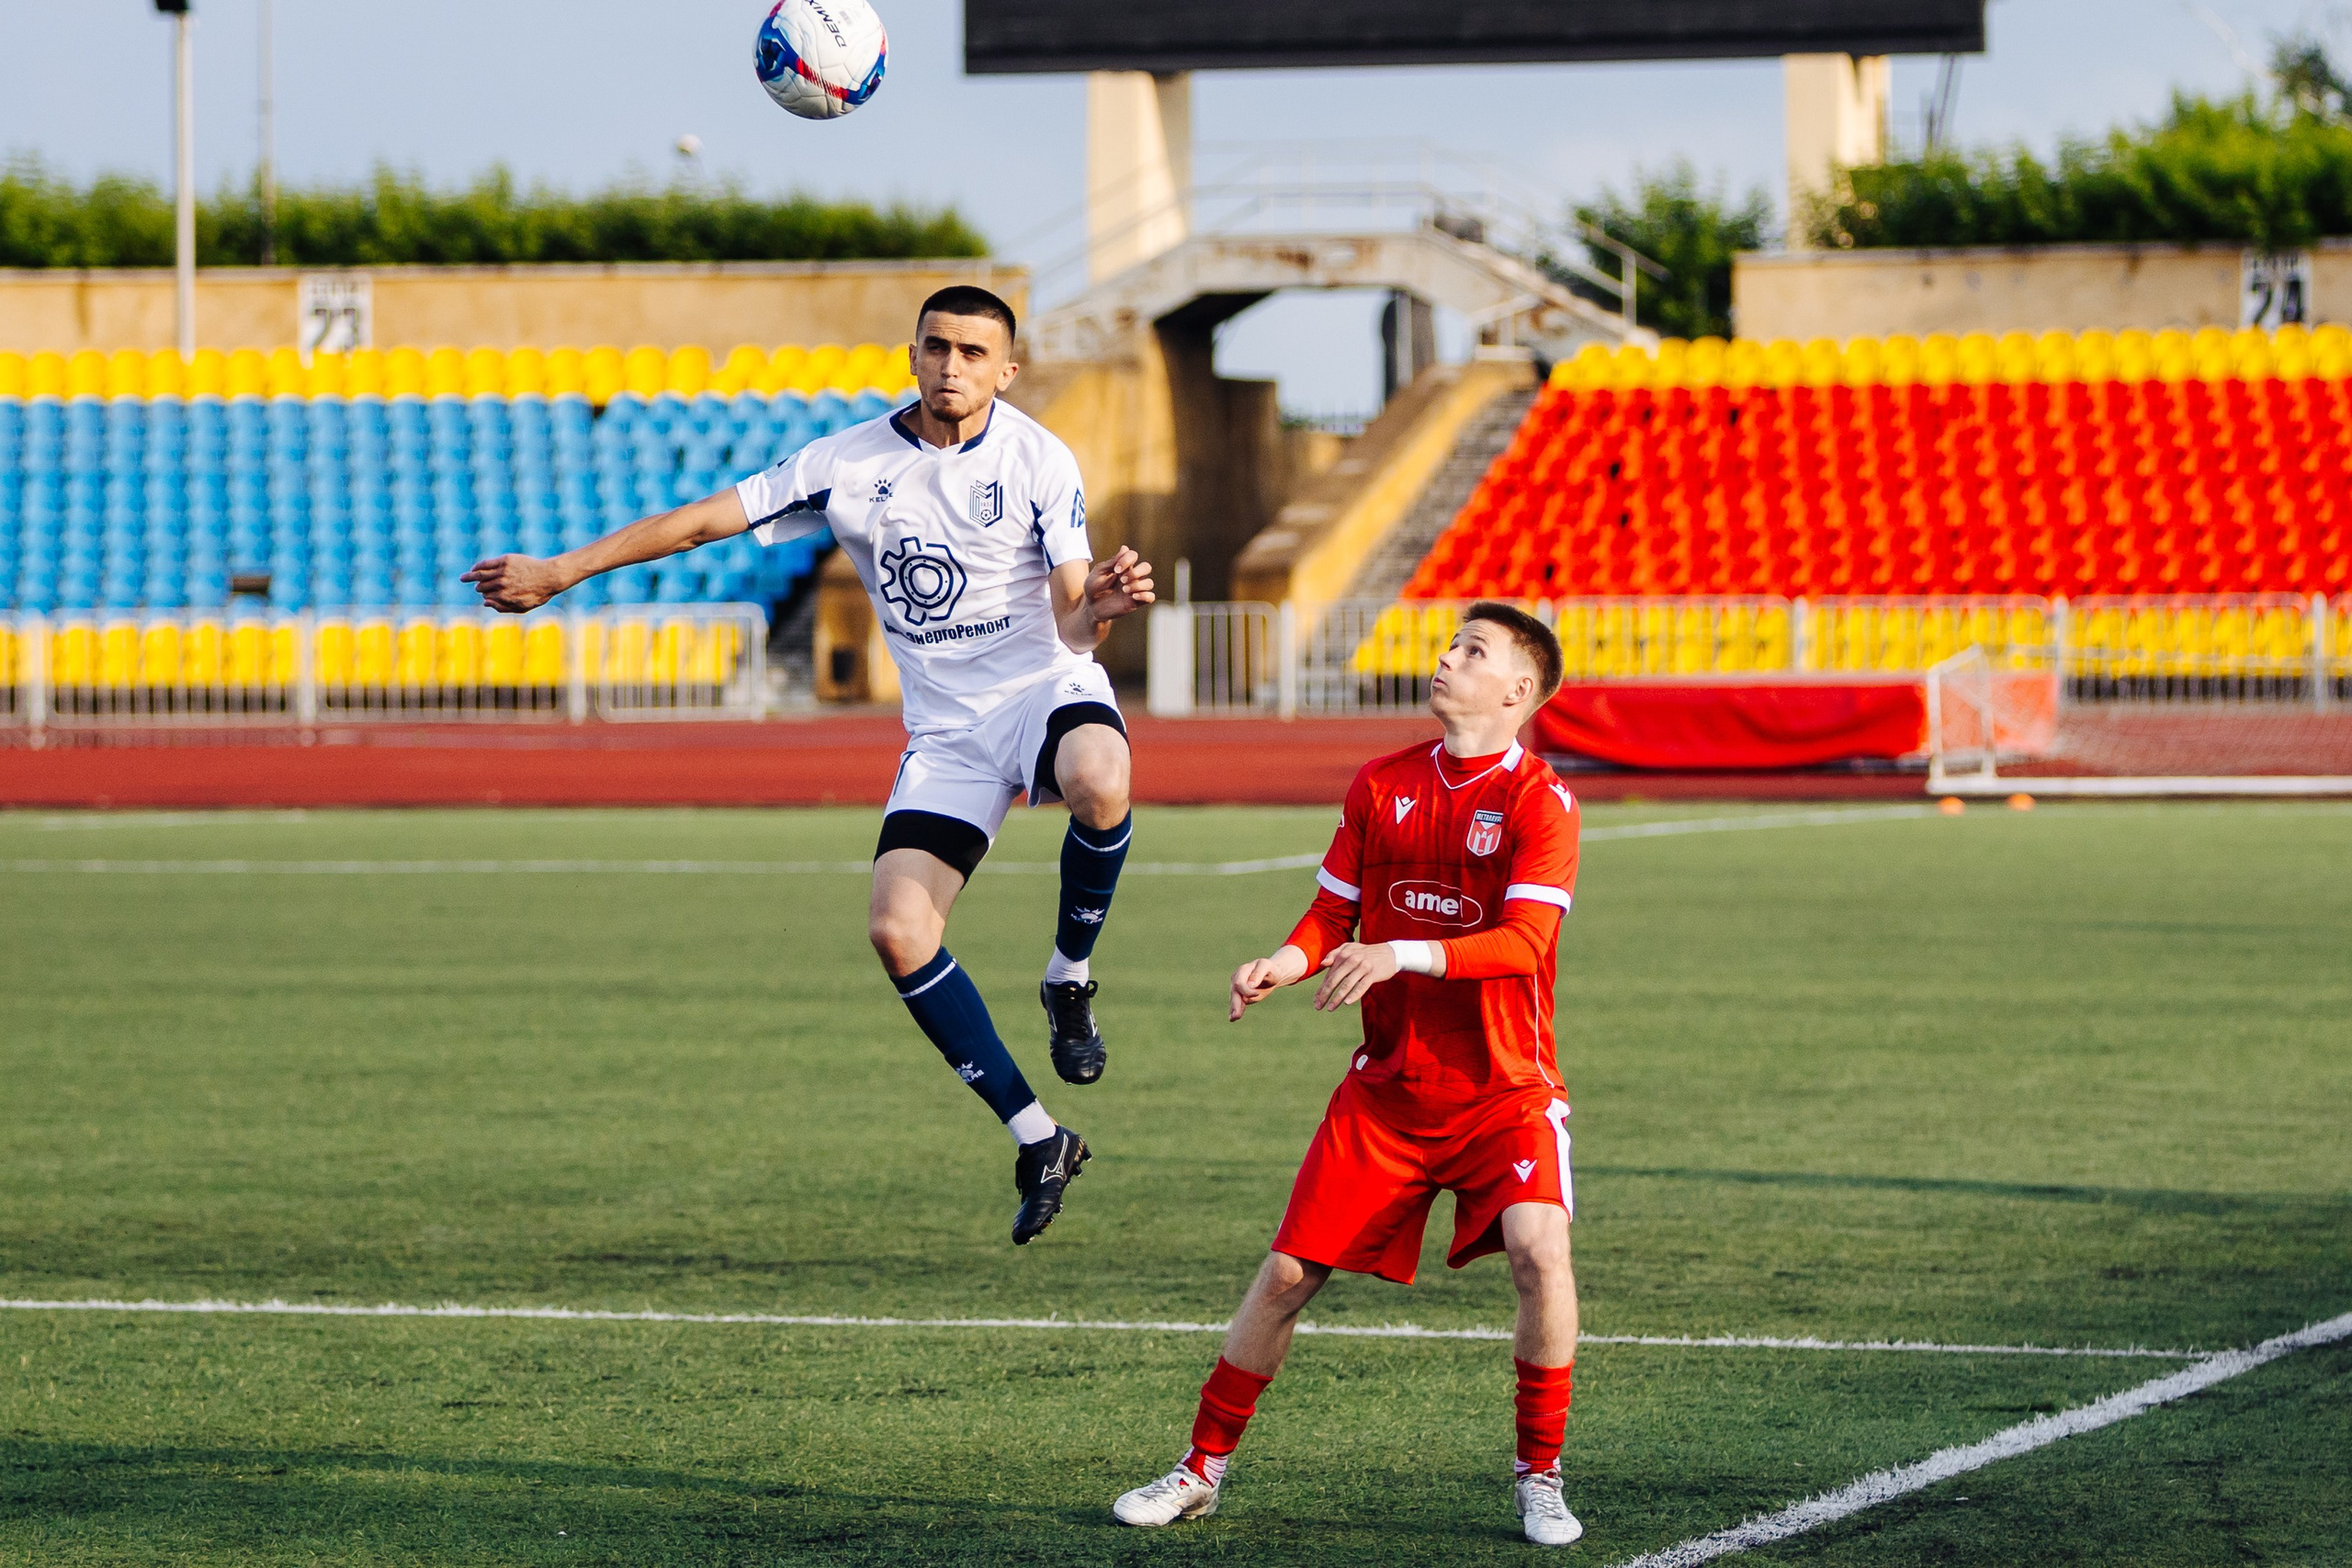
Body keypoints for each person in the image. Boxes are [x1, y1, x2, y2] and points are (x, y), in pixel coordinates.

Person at [461, 286, 1153, 1246]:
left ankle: (1067, 976)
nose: (951, 366)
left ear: (1007, 370)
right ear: (912, 355)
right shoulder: (845, 463)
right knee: (898, 932)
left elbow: (1074, 624)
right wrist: (560, 569)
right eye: (936, 347)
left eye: (972, 352)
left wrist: (1104, 604)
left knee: (1101, 778)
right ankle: (1040, 1138)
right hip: (947, 735)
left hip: (1042, 688)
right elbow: (702, 522)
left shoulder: (1040, 458)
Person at [1111, 603, 1586, 1546]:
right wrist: (1282, 964)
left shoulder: (1542, 801)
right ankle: (1200, 1469)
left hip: (1505, 1091)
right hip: (1386, 1096)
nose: (1446, 658)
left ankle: (1540, 1476)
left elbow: (1527, 941)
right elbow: (1332, 916)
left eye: (1473, 652)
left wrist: (1398, 952)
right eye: (1451, 644)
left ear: (1517, 690)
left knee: (1540, 1252)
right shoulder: (1382, 781)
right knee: (1285, 1275)